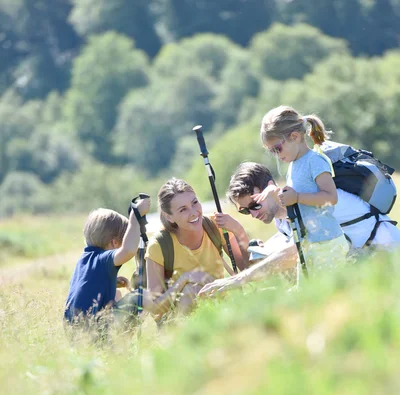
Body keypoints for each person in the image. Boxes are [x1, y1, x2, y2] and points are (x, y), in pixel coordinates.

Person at [199, 161, 400, 297]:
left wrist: (238, 280)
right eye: (245, 211)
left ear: (270, 187)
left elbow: (296, 252)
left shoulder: (305, 199)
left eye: (254, 205)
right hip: (361, 257)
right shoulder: (282, 219)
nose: (253, 214)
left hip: (386, 257)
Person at [64, 200, 204, 336]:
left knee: (117, 295)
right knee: (140, 296)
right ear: (114, 243)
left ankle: (118, 346)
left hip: (76, 332)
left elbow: (86, 286)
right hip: (95, 329)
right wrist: (135, 217)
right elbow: (128, 250)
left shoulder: (85, 259)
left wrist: (110, 281)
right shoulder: (104, 258)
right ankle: (168, 319)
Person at [255, 105, 349, 278]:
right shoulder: (293, 165)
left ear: (295, 137)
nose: (276, 155)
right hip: (307, 244)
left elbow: (331, 197)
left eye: (277, 148)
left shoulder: (315, 160)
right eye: (271, 151)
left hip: (326, 243)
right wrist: (279, 196)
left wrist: (297, 197)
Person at [145, 177, 249, 317]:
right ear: (169, 217)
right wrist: (184, 279)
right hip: (179, 321)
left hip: (222, 310)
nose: (194, 212)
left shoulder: (215, 226)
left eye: (195, 203)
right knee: (190, 291)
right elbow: (154, 307)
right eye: (183, 210)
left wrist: (239, 230)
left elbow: (248, 270)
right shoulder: (159, 245)